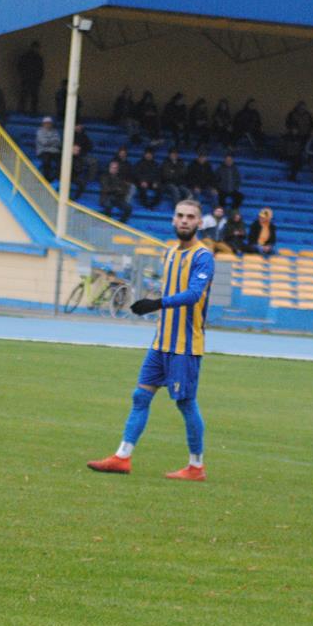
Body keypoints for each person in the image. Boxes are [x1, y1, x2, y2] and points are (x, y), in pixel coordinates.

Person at [87, 200, 213, 481]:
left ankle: (196, 467)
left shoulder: (203, 256)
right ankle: (122, 457)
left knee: (186, 404)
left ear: (199, 223)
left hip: (185, 345)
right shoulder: (169, 253)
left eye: (190, 217)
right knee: (140, 396)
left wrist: (156, 304)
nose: (184, 221)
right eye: (179, 215)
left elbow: (193, 294)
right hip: (161, 343)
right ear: (173, 219)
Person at [16, 41, 44, 115]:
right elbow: (20, 66)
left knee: (31, 96)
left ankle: (30, 111)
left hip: (31, 79)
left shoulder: (36, 58)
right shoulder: (29, 57)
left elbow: (41, 70)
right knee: (26, 95)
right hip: (29, 79)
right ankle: (27, 111)